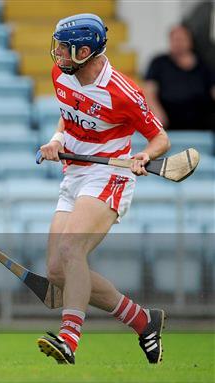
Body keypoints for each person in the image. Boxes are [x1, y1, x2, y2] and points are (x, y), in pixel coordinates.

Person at [37, 14, 171, 365]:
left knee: (71, 248)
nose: (59, 55)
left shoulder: (122, 92)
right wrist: (55, 139)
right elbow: (68, 114)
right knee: (56, 270)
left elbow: (160, 137)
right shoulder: (60, 75)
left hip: (109, 176)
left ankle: (69, 339)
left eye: (66, 49)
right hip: (74, 174)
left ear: (87, 50)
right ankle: (143, 320)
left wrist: (144, 154)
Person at [144, 24, 215, 131]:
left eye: (181, 39)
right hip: (168, 122)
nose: (178, 43)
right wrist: (157, 113)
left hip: (200, 123)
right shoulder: (158, 62)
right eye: (174, 39)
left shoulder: (204, 66)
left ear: (190, 41)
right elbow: (149, 91)